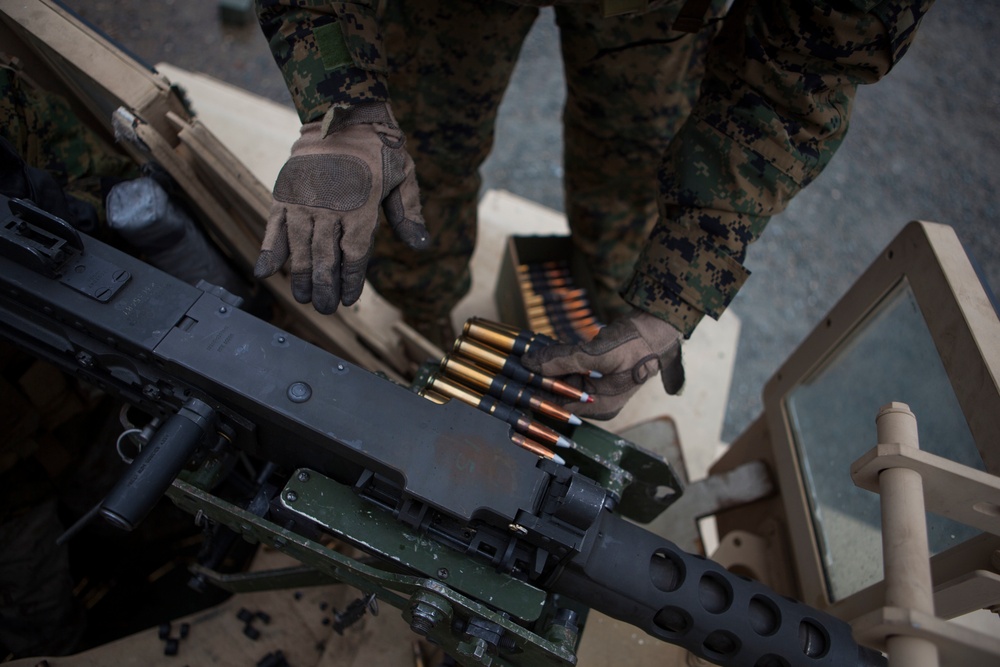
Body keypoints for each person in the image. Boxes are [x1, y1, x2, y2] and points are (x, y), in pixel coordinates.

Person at [253, 0, 934, 419]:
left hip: (653, 11)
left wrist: (672, 295)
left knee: (638, 164)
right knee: (415, 160)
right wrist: (343, 104)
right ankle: (424, 332)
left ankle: (605, 303)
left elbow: (798, 81)